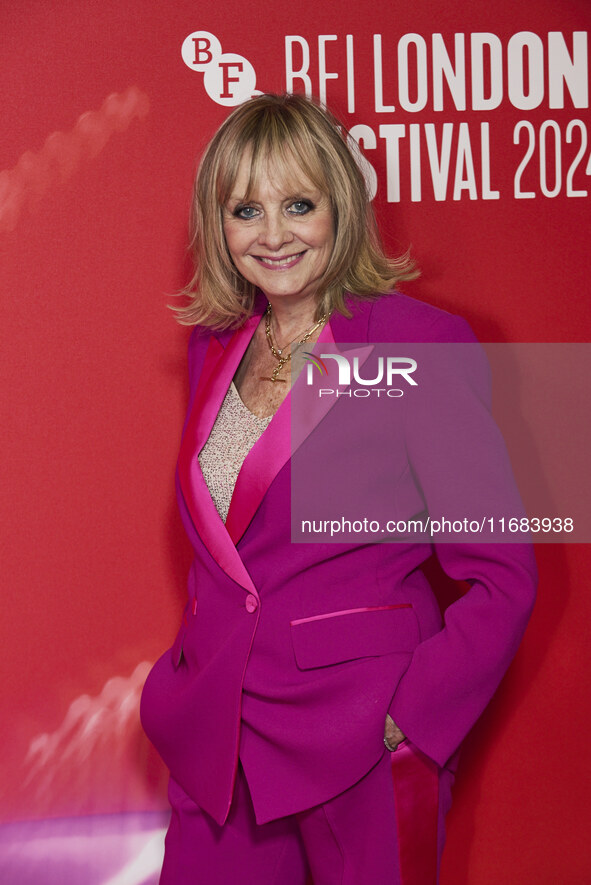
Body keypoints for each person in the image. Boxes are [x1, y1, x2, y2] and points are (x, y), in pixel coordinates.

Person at [140, 93, 537, 884]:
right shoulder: (214, 344)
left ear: (341, 207)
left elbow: (503, 574)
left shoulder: (416, 343)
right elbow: (235, 543)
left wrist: (410, 721)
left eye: (298, 203)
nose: (274, 233)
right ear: (218, 225)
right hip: (222, 738)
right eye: (246, 208)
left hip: (360, 734)